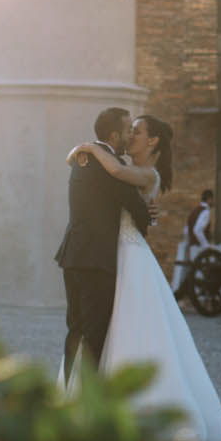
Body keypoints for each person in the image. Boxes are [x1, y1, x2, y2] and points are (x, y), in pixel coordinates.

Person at [67, 116, 221, 441]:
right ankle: (98, 404)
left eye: (137, 132)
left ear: (152, 142)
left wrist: (85, 148)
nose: (131, 136)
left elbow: (119, 175)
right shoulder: (119, 165)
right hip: (114, 256)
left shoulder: (144, 173)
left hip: (129, 258)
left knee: (133, 327)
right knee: (108, 326)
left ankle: (132, 408)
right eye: (130, 130)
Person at [53, 106, 150, 371]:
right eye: (128, 130)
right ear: (114, 136)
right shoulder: (109, 164)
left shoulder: (84, 157)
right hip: (96, 260)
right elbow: (135, 205)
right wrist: (147, 219)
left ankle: (70, 394)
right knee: (95, 334)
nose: (131, 134)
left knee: (75, 330)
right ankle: (89, 404)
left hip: (72, 255)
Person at [170, 188, 214, 297]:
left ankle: (181, 294)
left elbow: (187, 230)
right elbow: (197, 230)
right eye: (213, 199)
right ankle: (201, 297)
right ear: (209, 199)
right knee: (201, 273)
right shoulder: (206, 212)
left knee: (193, 272)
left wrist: (189, 243)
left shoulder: (195, 210)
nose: (213, 201)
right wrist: (206, 246)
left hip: (192, 246)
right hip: (199, 247)